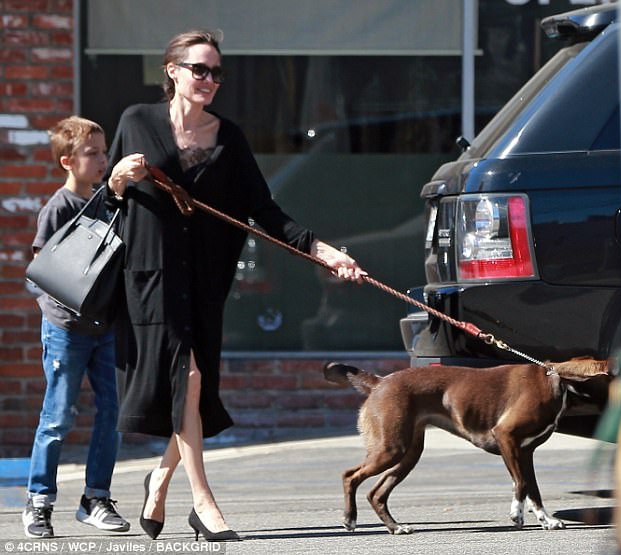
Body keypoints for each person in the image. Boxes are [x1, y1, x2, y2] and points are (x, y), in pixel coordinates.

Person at [105, 29, 365, 542]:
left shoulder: (229, 138)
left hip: (206, 282)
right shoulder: (136, 121)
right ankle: (203, 502)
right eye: (199, 69)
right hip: (152, 279)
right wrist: (118, 178)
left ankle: (158, 480)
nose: (209, 80)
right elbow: (109, 203)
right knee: (189, 376)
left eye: (217, 73)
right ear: (172, 71)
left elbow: (265, 212)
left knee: (192, 385)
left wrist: (324, 252)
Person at [23, 116, 130, 538]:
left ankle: (95, 498)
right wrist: (62, 312)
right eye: (92, 154)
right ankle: (38, 501)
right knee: (58, 416)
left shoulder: (109, 202)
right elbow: (42, 271)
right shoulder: (60, 207)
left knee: (113, 412)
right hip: (66, 330)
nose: (102, 160)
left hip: (106, 328)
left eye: (105, 153)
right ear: (67, 161)